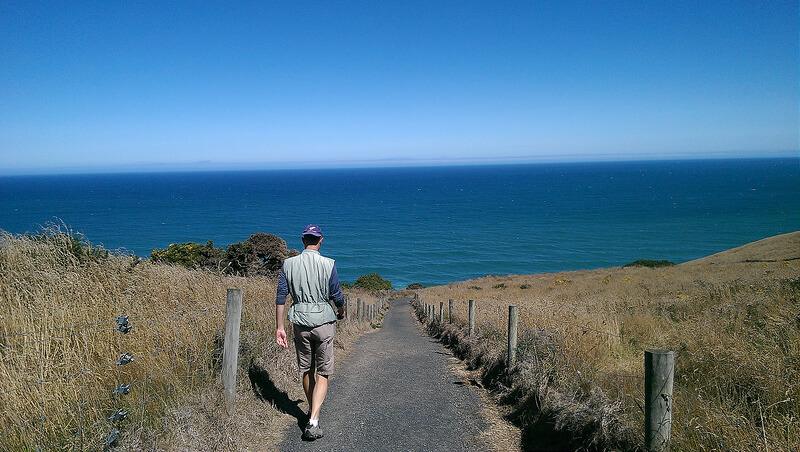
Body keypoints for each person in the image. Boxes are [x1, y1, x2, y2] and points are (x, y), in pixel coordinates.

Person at [275, 224, 345, 441]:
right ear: (321, 240)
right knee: (323, 371)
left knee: (306, 369)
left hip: (300, 322)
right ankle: (313, 420)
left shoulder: (288, 264)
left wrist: (280, 327)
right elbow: (336, 295)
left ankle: (311, 411)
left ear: (303, 240)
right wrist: (341, 311)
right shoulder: (328, 264)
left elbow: (281, 297)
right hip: (323, 321)